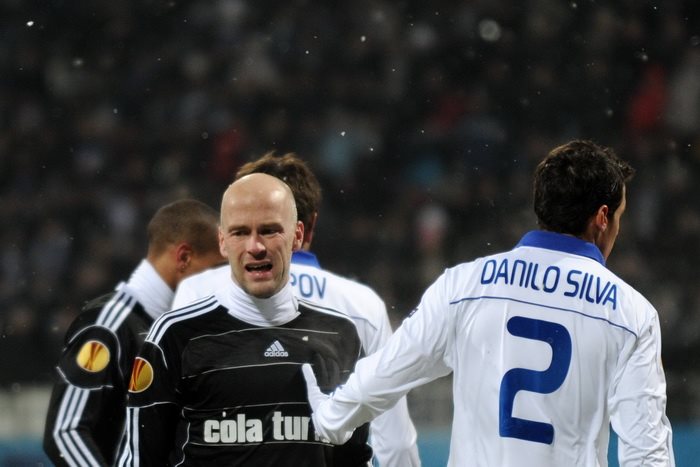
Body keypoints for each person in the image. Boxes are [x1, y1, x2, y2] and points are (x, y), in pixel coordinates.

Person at [302, 140, 676, 466]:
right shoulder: (630, 314)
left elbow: (386, 373)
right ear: (602, 218)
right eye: (619, 218)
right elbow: (646, 452)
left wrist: (328, 420)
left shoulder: (464, 285)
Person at [172, 152, 420, 467]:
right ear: (310, 224)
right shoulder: (362, 306)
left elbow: (166, 428)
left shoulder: (197, 294)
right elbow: (396, 443)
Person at [118, 173, 371, 466]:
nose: (255, 246)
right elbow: (139, 460)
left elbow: (354, 458)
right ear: (222, 241)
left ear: (297, 235)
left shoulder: (340, 337)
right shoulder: (175, 337)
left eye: (269, 230)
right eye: (240, 233)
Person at [43, 199, 224, 466]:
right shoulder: (108, 326)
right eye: (216, 268)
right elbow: (65, 432)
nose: (222, 280)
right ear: (184, 257)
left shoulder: (182, 331)